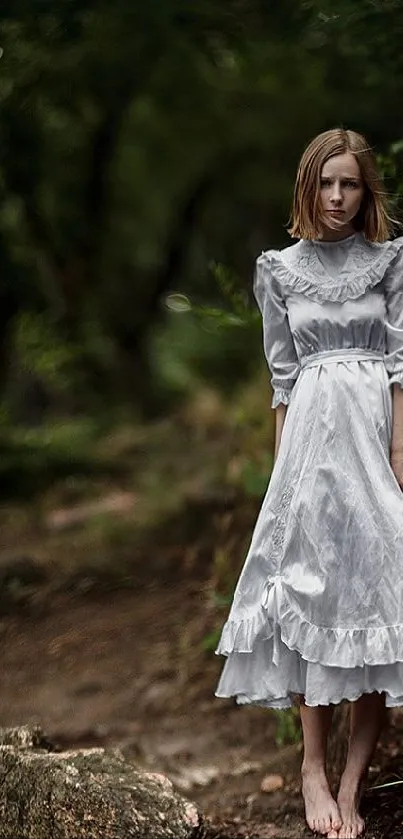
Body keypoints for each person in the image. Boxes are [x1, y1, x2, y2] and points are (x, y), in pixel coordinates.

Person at [215, 128, 403, 839]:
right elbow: (282, 379)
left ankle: (353, 784)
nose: (335, 197)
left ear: (365, 191)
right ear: (306, 186)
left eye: (349, 183)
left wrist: (396, 450)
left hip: (372, 445)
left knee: (382, 597)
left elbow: (399, 363)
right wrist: (279, 481)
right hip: (307, 455)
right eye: (325, 183)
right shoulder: (278, 268)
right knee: (305, 592)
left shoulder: (388, 261)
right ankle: (312, 768)